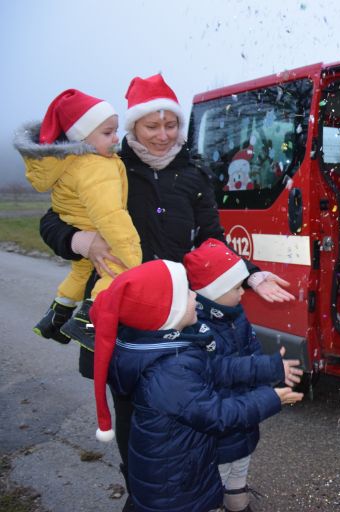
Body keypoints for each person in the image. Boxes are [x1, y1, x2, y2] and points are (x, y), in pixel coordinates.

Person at [38, 73, 295, 511]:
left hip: (182, 319)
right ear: (133, 128)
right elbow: (53, 221)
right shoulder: (107, 166)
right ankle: (144, 496)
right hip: (124, 322)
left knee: (189, 418)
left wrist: (250, 274)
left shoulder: (193, 175)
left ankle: (194, 495)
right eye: (151, 126)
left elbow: (212, 240)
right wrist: (83, 241)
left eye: (170, 125)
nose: (162, 135)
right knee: (137, 425)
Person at [91, 259, 303, 512]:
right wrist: (271, 399)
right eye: (187, 293)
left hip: (181, 467)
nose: (196, 295)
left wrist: (270, 367)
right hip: (174, 487)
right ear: (170, 313)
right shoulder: (168, 371)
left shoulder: (171, 349)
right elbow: (217, 415)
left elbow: (216, 368)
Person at [14, 89, 141, 346]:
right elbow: (110, 215)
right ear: (82, 136)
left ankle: (54, 319)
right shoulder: (96, 166)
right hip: (99, 230)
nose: (116, 138)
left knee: (81, 272)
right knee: (116, 268)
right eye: (107, 133)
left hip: (80, 224)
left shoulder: (70, 161)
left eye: (116, 131)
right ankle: (88, 323)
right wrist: (131, 257)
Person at [183, 239, 302, 512]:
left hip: (242, 414)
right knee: (218, 475)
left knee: (240, 467)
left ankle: (238, 502)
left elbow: (251, 349)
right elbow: (217, 369)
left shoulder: (234, 313)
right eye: (236, 287)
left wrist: (269, 378)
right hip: (222, 420)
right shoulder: (197, 327)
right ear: (213, 292)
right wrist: (267, 368)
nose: (243, 292)